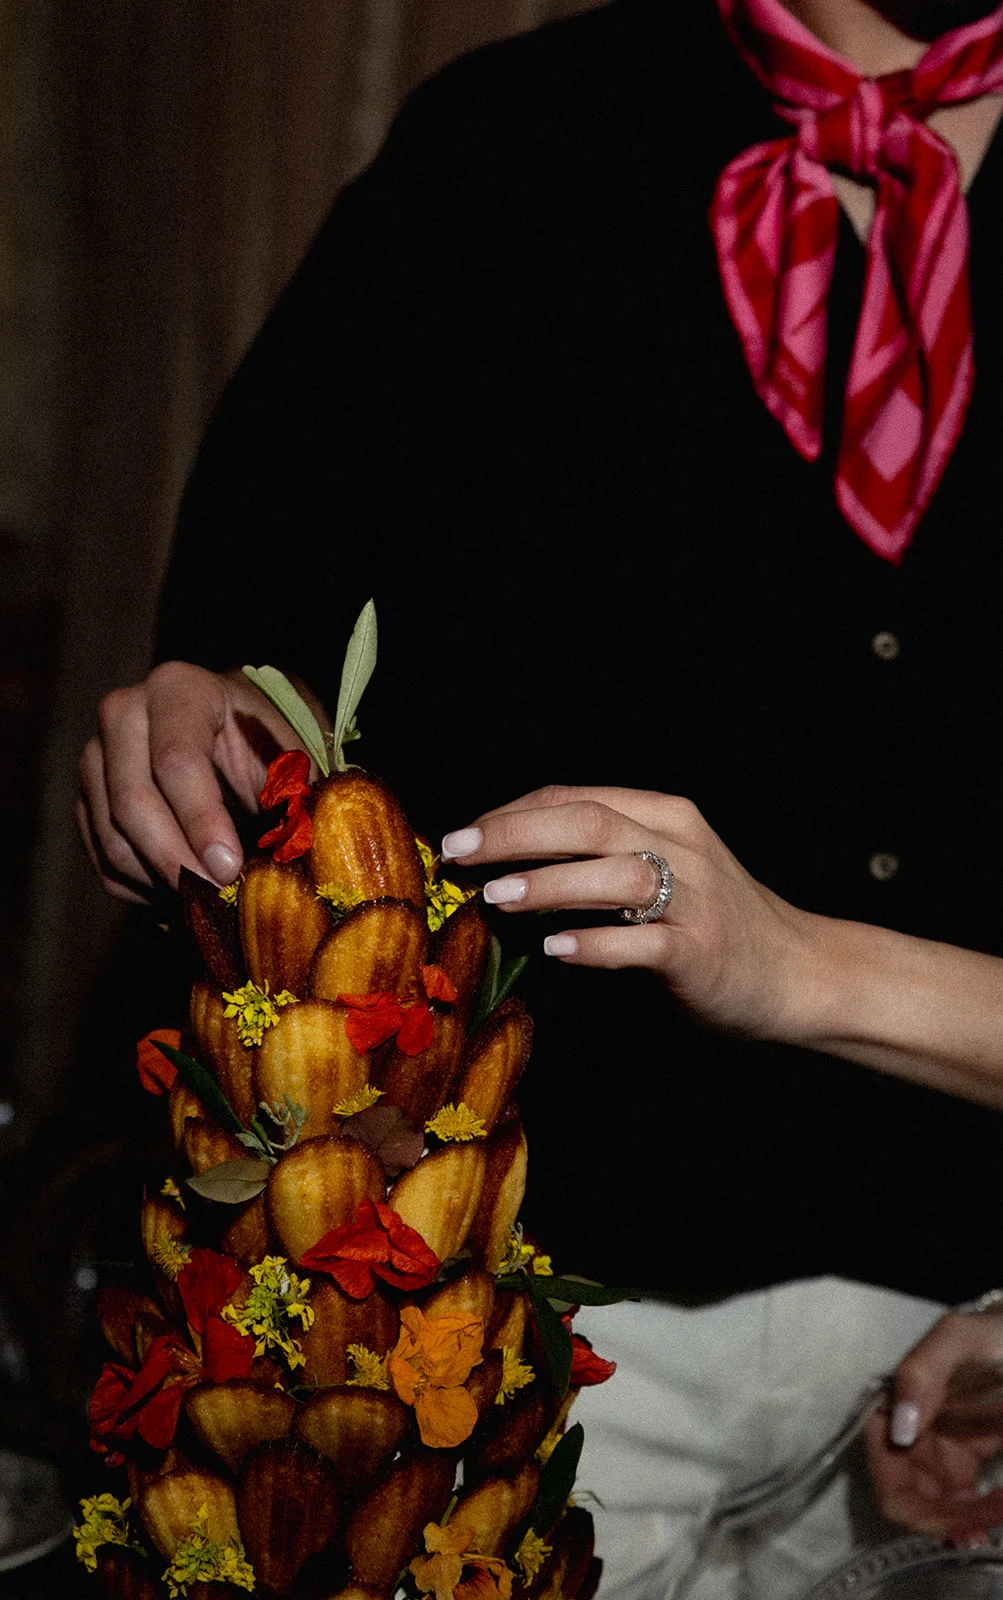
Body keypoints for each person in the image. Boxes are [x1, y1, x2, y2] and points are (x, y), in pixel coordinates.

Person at [78, 0, 1003, 1589]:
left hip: (968, 1319)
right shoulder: (513, 137)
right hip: (513, 1320)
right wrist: (194, 733)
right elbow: (262, 633)